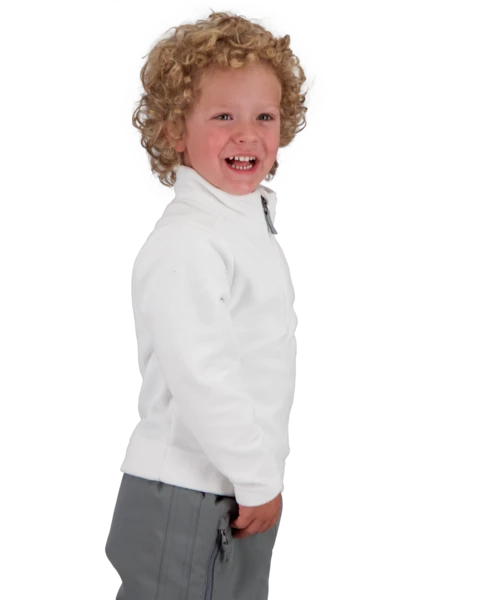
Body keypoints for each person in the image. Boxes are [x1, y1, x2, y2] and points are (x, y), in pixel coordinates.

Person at [105, 10, 307, 599]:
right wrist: (256, 477)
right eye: (224, 116)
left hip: (227, 490)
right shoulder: (191, 240)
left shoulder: (244, 225)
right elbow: (203, 373)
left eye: (264, 116)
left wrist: (258, 477)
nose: (247, 134)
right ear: (175, 131)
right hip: (190, 496)